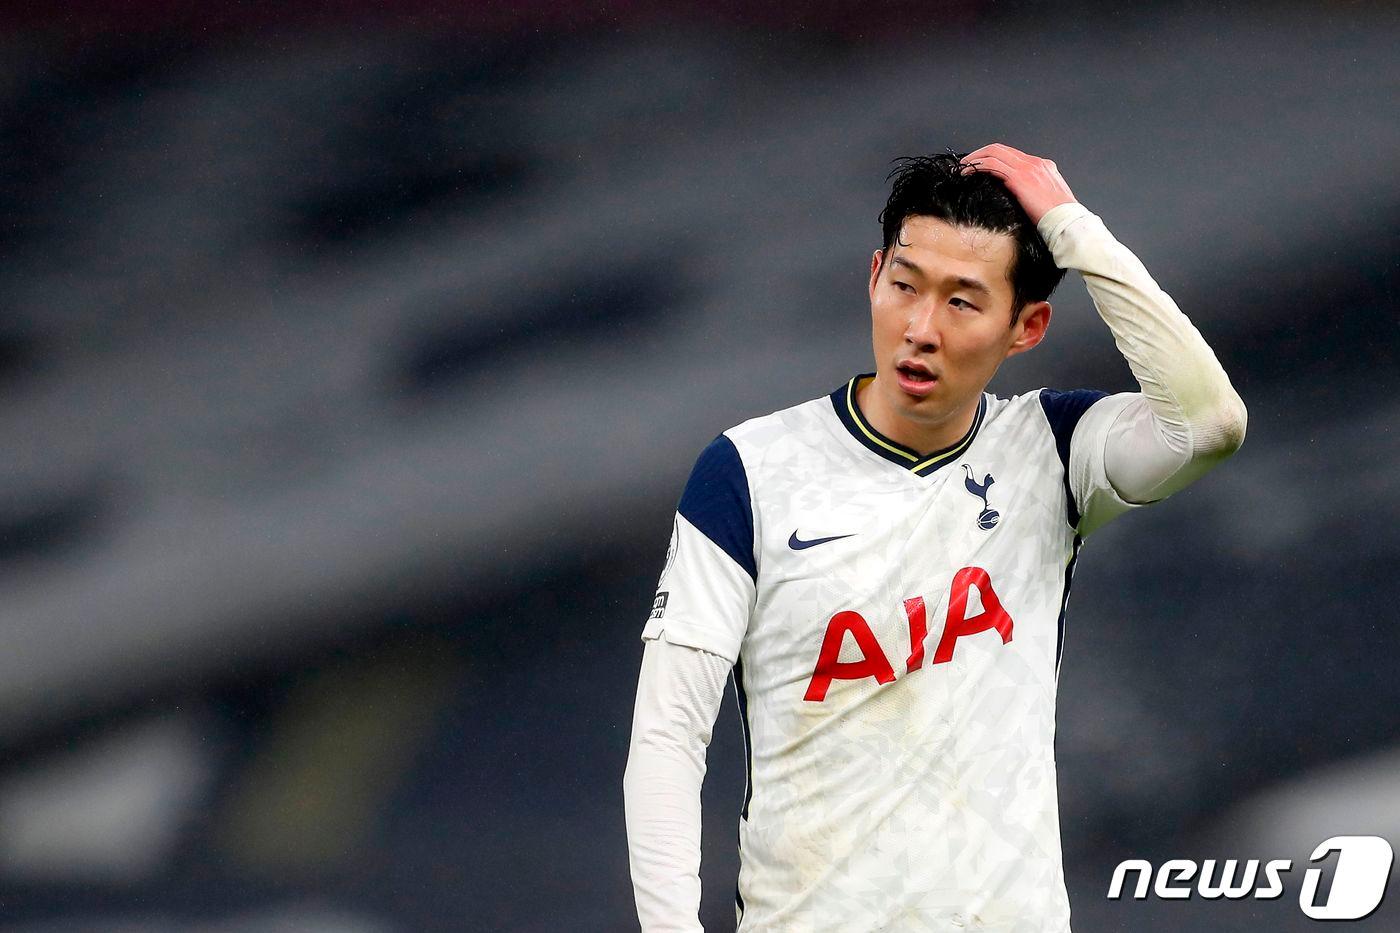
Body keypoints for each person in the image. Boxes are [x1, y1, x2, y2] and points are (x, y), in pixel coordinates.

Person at [623, 143, 1246, 932]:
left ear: (1027, 327)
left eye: (962, 302)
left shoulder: (1052, 451)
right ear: (873, 276)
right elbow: (668, 738)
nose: (920, 328)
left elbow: (1208, 424)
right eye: (905, 285)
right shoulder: (748, 473)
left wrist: (1072, 228)